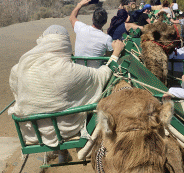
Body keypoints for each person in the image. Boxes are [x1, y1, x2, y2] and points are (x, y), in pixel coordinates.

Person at [9, 25, 125, 161]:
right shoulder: (70, 71)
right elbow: (101, 76)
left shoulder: (18, 68)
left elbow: (17, 94)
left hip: (32, 130)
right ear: (65, 44)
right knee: (91, 99)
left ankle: (62, 154)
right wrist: (115, 54)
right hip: (65, 129)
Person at [70, 0, 113, 68]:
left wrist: (80, 4)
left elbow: (72, 17)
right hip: (95, 73)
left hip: (78, 70)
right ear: (105, 22)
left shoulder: (81, 28)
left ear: (92, 19)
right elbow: (109, 56)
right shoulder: (107, 39)